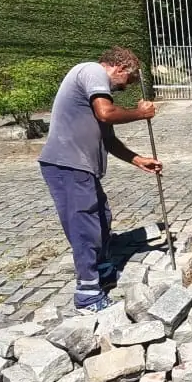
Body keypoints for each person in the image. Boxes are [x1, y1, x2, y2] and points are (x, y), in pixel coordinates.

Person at [38, 47, 161, 313]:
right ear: (119, 68)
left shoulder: (96, 93)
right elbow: (106, 113)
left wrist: (138, 159)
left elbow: (108, 138)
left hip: (80, 167)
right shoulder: (92, 71)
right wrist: (140, 113)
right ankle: (87, 295)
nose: (126, 87)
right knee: (85, 227)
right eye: (128, 81)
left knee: (102, 218)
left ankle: (102, 269)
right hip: (66, 164)